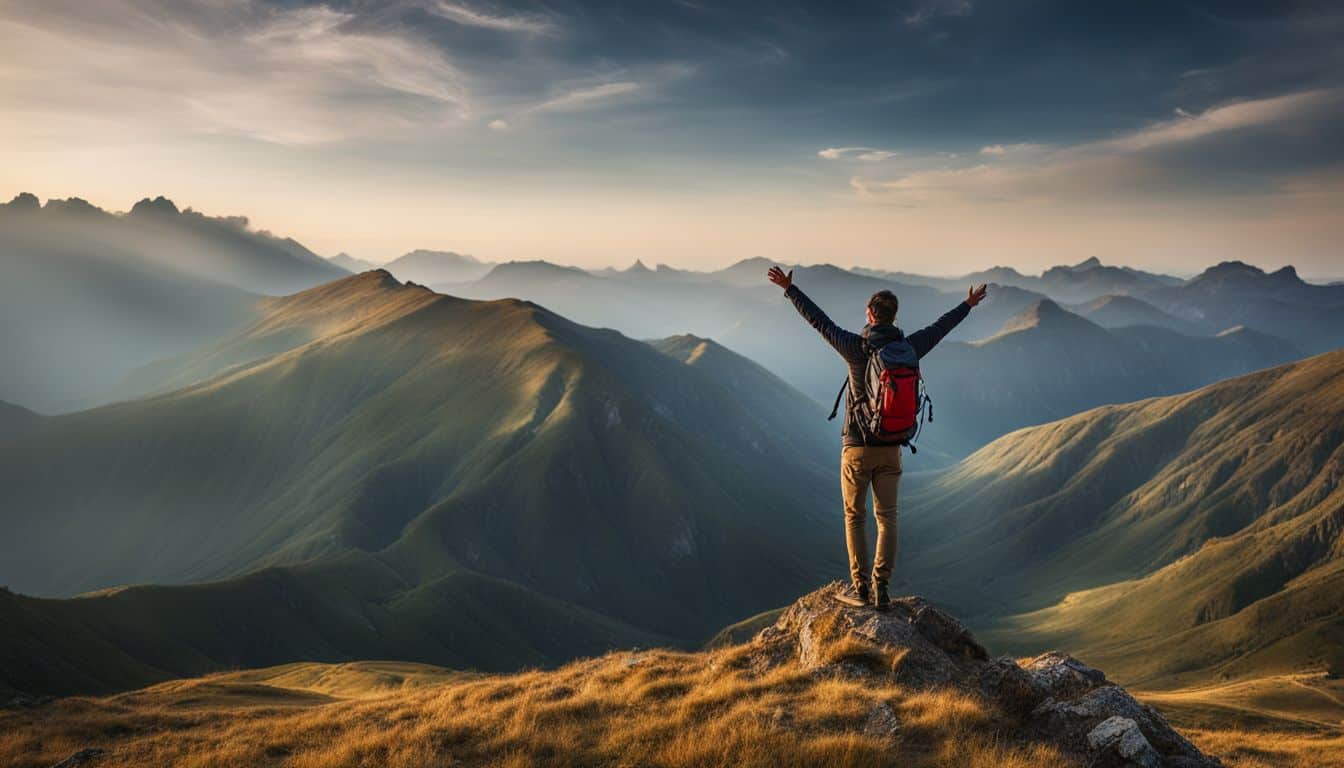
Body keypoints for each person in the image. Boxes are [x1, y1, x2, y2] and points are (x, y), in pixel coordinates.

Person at [767, 265, 987, 610]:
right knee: (888, 518)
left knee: (855, 516)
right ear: (894, 316)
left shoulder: (855, 347)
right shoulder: (910, 347)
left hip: (857, 446)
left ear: (870, 314)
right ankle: (882, 587)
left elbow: (819, 321)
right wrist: (968, 304)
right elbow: (940, 329)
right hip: (892, 447)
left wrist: (790, 289)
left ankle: (860, 588)